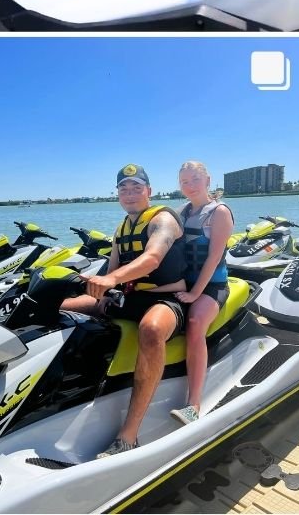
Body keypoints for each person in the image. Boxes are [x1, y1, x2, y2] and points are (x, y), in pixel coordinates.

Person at [60, 163, 187, 456]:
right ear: (117, 194)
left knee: (151, 329)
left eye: (136, 187)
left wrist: (112, 279)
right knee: (61, 305)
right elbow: (113, 268)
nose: (129, 193)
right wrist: (95, 286)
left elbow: (153, 257)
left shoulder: (163, 219)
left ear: (149, 191)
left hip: (166, 299)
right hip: (128, 298)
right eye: (124, 188)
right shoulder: (122, 227)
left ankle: (128, 436)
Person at [171, 162, 232, 426]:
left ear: (207, 180)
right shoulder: (180, 213)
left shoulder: (219, 213)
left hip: (211, 286)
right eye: (184, 181)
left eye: (195, 179)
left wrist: (195, 293)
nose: (190, 185)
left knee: (195, 324)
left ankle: (193, 403)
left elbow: (214, 256)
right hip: (184, 285)